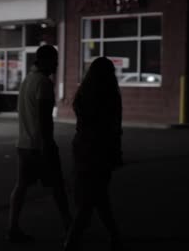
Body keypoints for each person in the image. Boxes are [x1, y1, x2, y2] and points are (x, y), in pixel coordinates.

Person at [7, 45, 72, 243]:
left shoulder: (27, 80)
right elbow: (45, 120)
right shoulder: (43, 83)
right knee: (58, 188)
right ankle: (71, 229)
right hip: (39, 146)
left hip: (24, 144)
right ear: (44, 60)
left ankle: (13, 228)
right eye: (54, 60)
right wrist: (48, 147)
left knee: (21, 187)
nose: (56, 64)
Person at [63, 57, 124, 250]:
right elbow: (114, 128)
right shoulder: (110, 95)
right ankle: (72, 241)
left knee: (96, 195)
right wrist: (116, 153)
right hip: (101, 150)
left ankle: (114, 236)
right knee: (93, 198)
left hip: (82, 148)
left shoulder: (83, 94)